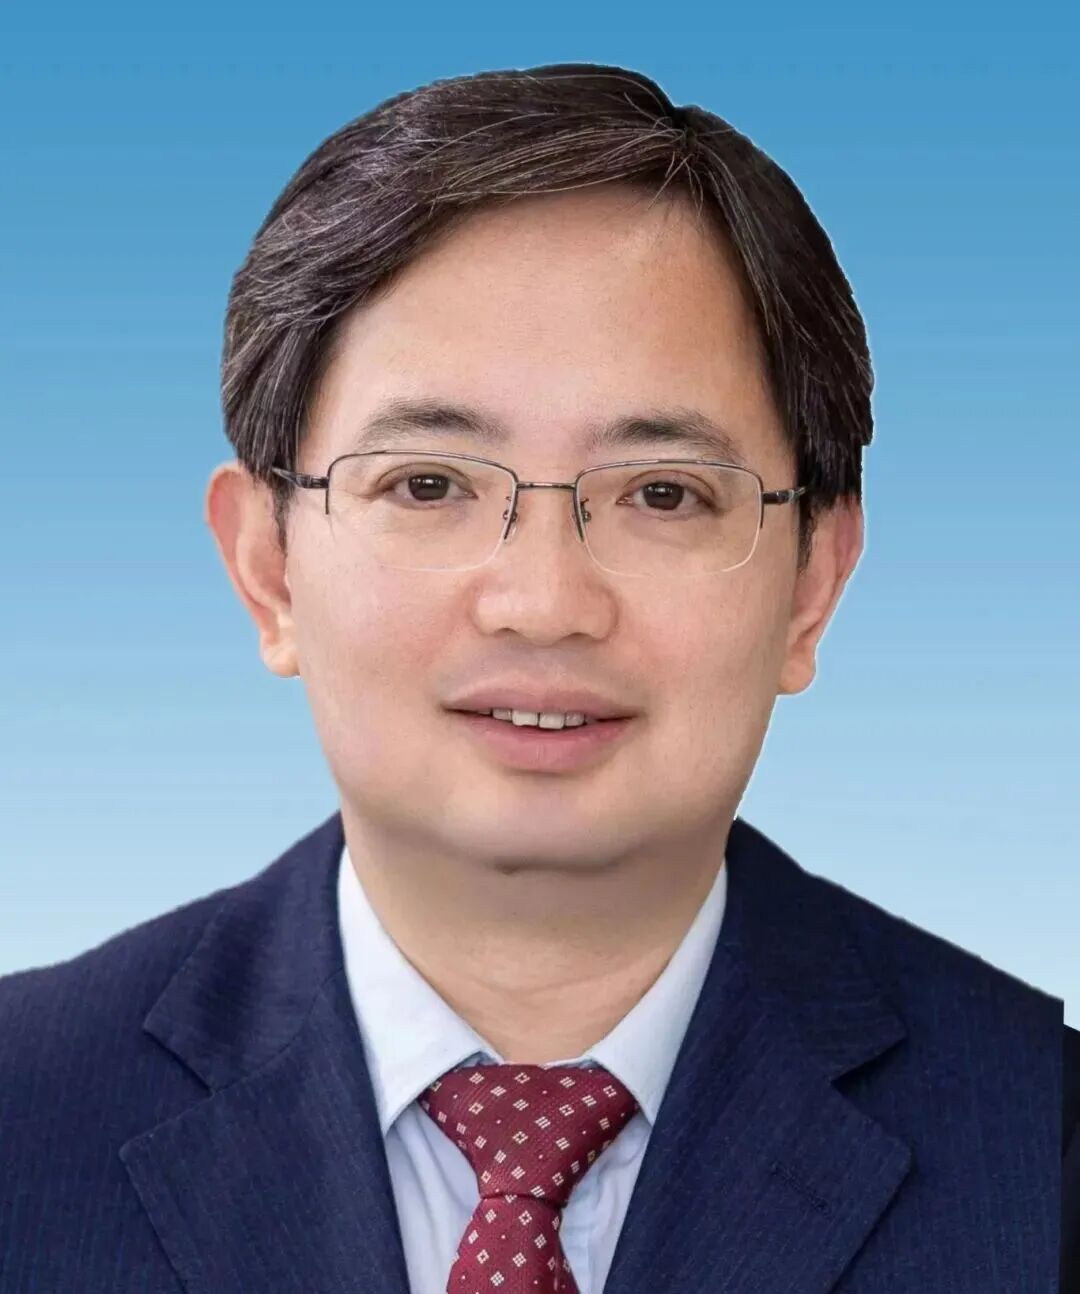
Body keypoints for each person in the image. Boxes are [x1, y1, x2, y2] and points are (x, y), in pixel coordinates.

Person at [1, 62, 1075, 1294]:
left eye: (663, 493)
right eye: (428, 484)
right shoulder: (21, 1117)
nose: (546, 601)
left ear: (812, 586)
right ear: (267, 567)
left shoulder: (1041, 1148)